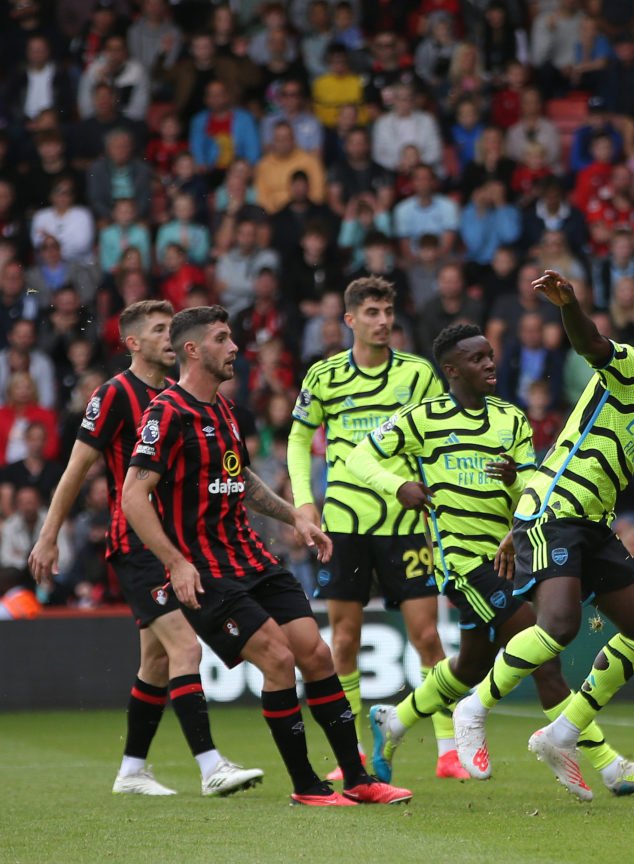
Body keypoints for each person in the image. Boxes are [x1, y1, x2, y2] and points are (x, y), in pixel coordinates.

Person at [350, 323, 634, 795]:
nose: (489, 364)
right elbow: (359, 457)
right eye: (477, 359)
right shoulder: (421, 418)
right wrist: (398, 485)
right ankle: (607, 764)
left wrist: (515, 483)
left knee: (473, 666)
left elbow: (531, 487)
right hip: (461, 559)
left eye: (491, 356)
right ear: (451, 370)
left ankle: (394, 720)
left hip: (510, 551)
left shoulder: (512, 420)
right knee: (538, 645)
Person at [453, 270, 634, 799]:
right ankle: (474, 707)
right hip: (555, 511)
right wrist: (570, 306)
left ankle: (562, 733)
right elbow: (591, 344)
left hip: (592, 524)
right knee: (559, 625)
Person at [121, 305, 411, 806]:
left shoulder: (226, 410)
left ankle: (358, 778)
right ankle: (306, 786)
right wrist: (175, 562)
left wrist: (294, 516)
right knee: (278, 659)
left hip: (253, 560)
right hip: (206, 571)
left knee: (317, 656)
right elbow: (132, 497)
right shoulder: (165, 412)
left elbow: (242, 480)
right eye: (222, 339)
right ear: (193, 350)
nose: (235, 348)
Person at [27, 300, 263, 796]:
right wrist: (49, 537)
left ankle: (132, 770)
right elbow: (76, 470)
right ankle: (210, 765)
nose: (168, 337)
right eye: (158, 330)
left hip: (175, 543)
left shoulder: (185, 398)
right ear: (133, 342)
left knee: (155, 661)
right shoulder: (114, 395)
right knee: (185, 646)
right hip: (135, 543)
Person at [286, 277, 460, 779]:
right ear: (349, 320)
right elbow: (299, 440)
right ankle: (355, 754)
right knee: (343, 640)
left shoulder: (419, 375)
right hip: (343, 524)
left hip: (405, 521)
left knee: (428, 636)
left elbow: (439, 438)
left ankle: (448, 750)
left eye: (388, 311)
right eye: (372, 312)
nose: (383, 320)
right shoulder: (324, 376)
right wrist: (304, 503)